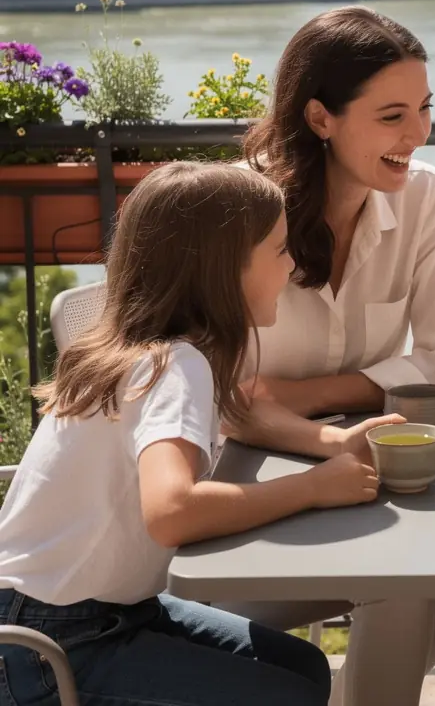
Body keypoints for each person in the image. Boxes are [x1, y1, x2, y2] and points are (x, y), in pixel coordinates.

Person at [0, 162, 399, 706]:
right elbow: (173, 511)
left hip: (72, 611)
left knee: (303, 668)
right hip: (48, 643)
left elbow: (236, 415)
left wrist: (331, 443)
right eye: (280, 250)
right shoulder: (174, 366)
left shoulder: (148, 348)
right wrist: (314, 487)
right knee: (286, 695)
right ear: (225, 269)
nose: (294, 264)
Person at [232, 5, 435, 706]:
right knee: (410, 577)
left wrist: (307, 394)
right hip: (241, 501)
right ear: (321, 118)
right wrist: (321, 413)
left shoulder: (425, 195)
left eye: (426, 109)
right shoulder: (241, 209)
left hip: (363, 479)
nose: (418, 134)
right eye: (392, 115)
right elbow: (217, 393)